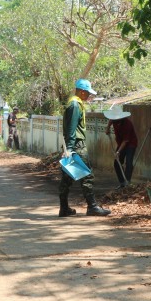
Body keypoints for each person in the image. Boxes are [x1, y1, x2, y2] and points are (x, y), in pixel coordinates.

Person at [58, 78, 111, 217]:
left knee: (67, 177)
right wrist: (69, 149)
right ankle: (92, 207)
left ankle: (64, 208)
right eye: (88, 93)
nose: (89, 95)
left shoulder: (74, 103)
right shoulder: (75, 105)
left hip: (71, 144)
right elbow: (71, 129)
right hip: (77, 145)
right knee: (87, 175)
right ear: (81, 92)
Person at [104, 105, 138, 189]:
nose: (114, 119)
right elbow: (110, 120)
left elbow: (126, 141)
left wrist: (118, 152)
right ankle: (122, 182)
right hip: (120, 143)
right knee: (117, 163)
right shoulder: (114, 119)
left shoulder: (127, 124)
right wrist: (108, 128)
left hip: (131, 144)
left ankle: (127, 183)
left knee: (129, 162)